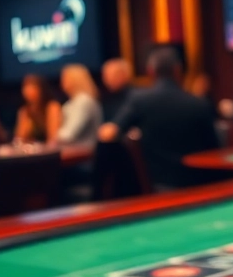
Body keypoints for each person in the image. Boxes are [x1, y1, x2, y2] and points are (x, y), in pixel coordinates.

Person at [99, 46, 219, 190]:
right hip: (203, 187)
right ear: (178, 70)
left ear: (150, 71)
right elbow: (215, 151)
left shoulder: (140, 100)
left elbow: (110, 133)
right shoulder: (200, 104)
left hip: (159, 187)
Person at [57, 63, 102, 150]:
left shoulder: (83, 101)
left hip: (82, 156)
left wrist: (51, 140)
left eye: (64, 78)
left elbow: (68, 135)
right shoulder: (73, 102)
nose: (61, 82)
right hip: (76, 153)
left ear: (74, 80)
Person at [14, 74, 61, 145]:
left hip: (51, 151)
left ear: (41, 89)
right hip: (32, 152)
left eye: (32, 86)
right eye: (25, 87)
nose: (27, 90)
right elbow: (18, 140)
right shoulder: (24, 111)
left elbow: (53, 138)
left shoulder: (52, 107)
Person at [99, 58, 135, 124]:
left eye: (113, 75)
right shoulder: (104, 98)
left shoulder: (136, 98)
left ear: (125, 75)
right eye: (105, 75)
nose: (107, 79)